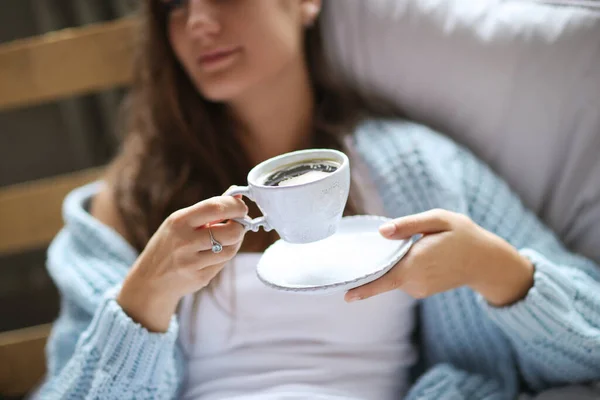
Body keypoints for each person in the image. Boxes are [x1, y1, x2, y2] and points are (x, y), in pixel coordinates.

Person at [36, 1, 600, 399]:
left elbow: (589, 342)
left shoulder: (416, 169)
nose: (200, 22)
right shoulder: (130, 203)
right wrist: (143, 298)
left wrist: (495, 269)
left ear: (307, 1)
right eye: (174, 5)